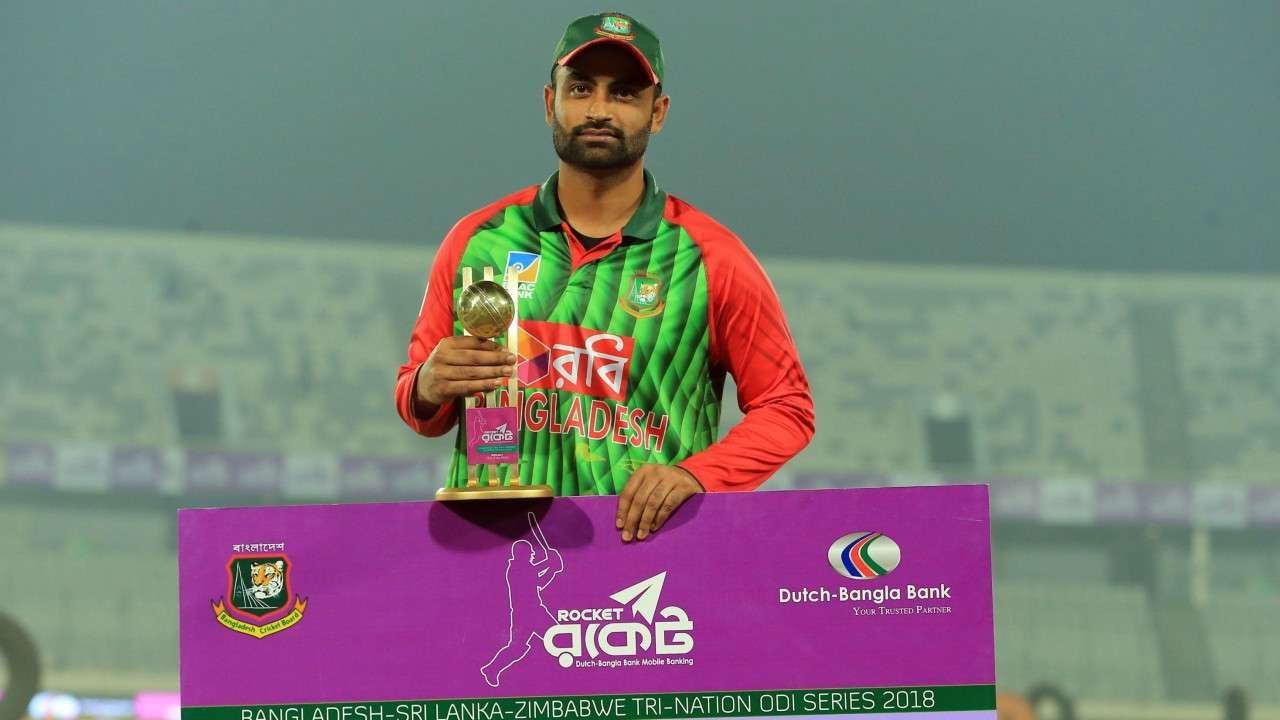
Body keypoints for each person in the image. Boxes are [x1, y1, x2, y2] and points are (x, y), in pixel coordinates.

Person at [395, 12, 814, 542]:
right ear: (550, 102)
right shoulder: (478, 239)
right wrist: (429, 384)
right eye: (581, 89)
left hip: (644, 555)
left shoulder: (712, 258)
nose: (597, 110)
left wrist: (696, 475)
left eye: (623, 94)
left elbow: (787, 408)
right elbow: (420, 405)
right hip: (494, 548)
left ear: (657, 114)